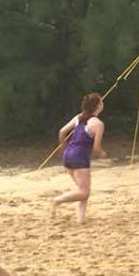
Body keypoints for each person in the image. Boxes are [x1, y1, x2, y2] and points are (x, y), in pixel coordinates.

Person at [50, 92, 107, 224]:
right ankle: (57, 200)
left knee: (82, 189)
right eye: (101, 102)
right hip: (80, 156)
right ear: (97, 106)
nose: (102, 104)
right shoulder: (98, 124)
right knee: (84, 192)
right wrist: (102, 154)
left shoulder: (78, 117)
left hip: (68, 154)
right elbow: (96, 148)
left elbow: (61, 132)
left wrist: (64, 148)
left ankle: (81, 219)